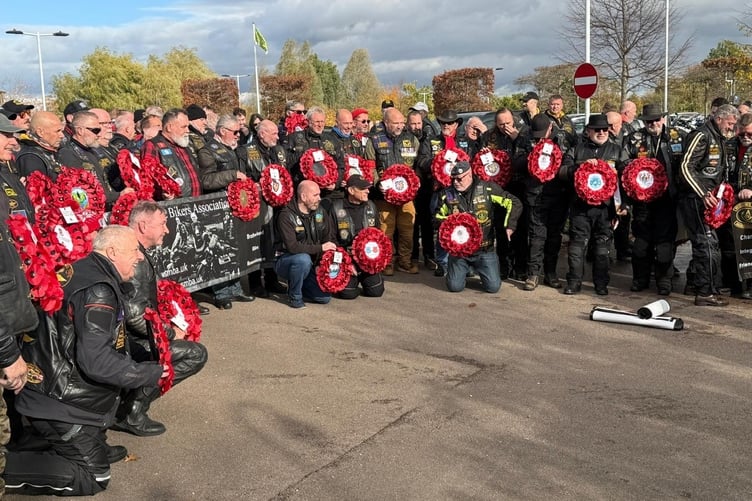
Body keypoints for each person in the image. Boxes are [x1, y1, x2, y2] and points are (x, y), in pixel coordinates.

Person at [4, 226, 166, 496]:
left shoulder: (81, 268)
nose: (140, 257)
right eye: (134, 250)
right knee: (93, 477)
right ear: (112, 252)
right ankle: (5, 468)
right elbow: (97, 361)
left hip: (48, 387)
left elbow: (100, 342)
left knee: (93, 449)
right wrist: (149, 374)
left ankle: (78, 442)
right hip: (60, 401)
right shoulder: (99, 290)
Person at [114, 201, 208, 436]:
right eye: (162, 224)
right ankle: (132, 411)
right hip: (128, 342)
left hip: (130, 335)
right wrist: (168, 334)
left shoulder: (136, 252)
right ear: (143, 226)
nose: (167, 230)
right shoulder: (134, 259)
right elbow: (134, 315)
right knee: (196, 354)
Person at [560, 114, 629, 296]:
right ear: (588, 131)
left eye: (604, 129)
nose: (601, 133)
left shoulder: (617, 150)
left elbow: (627, 179)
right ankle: (574, 282)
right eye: (597, 129)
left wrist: (623, 206)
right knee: (576, 247)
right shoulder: (577, 150)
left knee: (602, 249)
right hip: (580, 207)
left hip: (605, 209)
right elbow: (562, 172)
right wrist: (580, 166)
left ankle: (601, 283)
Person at [678, 104, 739, 306]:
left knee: (710, 245)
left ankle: (704, 286)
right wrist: (702, 192)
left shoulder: (719, 137)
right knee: (705, 244)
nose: (732, 127)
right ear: (720, 118)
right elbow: (686, 167)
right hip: (697, 199)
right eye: (730, 123)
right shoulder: (702, 135)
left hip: (713, 199)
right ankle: (704, 292)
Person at [434, 161, 522, 293]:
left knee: (493, 288)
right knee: (454, 287)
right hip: (459, 253)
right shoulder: (446, 194)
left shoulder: (488, 189)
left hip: (484, 249)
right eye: (453, 179)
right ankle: (463, 270)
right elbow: (436, 218)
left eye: (459, 179)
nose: (456, 182)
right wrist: (452, 222)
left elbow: (514, 202)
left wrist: (510, 225)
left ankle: (476, 269)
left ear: (469, 175)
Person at [197, 114, 256, 309]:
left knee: (235, 247)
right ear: (222, 131)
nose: (238, 135)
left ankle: (236, 287)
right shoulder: (207, 151)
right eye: (235, 131)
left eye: (240, 131)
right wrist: (232, 176)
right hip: (216, 208)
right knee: (218, 249)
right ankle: (221, 292)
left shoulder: (232, 150)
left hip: (236, 206)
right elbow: (206, 180)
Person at [623, 104, 681, 295]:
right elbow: (622, 165)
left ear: (662, 119)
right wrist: (634, 166)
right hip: (642, 201)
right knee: (641, 243)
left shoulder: (677, 136)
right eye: (649, 121)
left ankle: (664, 280)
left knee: (665, 243)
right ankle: (640, 278)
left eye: (656, 120)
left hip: (668, 200)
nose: (653, 124)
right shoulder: (633, 139)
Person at [364, 107, 420, 275]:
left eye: (402, 123)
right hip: (384, 195)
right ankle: (387, 262)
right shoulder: (373, 140)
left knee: (407, 229)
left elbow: (417, 165)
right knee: (385, 229)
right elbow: (370, 167)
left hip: (407, 196)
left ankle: (405, 261)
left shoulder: (412, 139)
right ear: (386, 123)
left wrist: (416, 181)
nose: (399, 126)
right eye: (395, 123)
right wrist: (377, 183)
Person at [481, 107, 532, 280]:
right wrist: (482, 156)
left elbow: (530, 156)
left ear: (513, 120)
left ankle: (520, 267)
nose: (505, 127)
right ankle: (503, 266)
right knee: (501, 229)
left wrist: (516, 138)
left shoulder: (523, 133)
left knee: (519, 228)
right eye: (501, 124)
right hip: (497, 188)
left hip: (518, 186)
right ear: (496, 123)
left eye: (508, 123)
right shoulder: (489, 137)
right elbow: (479, 162)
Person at [415, 109, 467, 276]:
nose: (446, 125)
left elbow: (472, 162)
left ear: (456, 124)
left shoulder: (465, 142)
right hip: (438, 191)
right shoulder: (431, 141)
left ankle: (462, 263)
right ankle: (442, 263)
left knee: (462, 225)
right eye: (443, 122)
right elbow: (421, 161)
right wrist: (438, 160)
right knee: (441, 226)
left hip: (461, 191)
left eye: (449, 122)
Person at [522, 114, 570, 291]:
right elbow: (516, 162)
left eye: (543, 134)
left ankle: (550, 273)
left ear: (550, 128)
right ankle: (533, 273)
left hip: (557, 195)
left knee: (554, 237)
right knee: (536, 236)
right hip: (535, 195)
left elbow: (568, 163)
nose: (540, 137)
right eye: (537, 135)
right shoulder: (526, 140)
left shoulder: (562, 139)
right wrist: (532, 157)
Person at [275, 180, 337, 308]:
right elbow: (293, 247)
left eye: (319, 194)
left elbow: (328, 239)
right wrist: (320, 248)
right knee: (302, 259)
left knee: (324, 298)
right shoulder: (286, 215)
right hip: (286, 260)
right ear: (303, 197)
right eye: (315, 195)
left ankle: (301, 286)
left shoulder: (320, 212)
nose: (319, 198)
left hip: (312, 263)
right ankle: (295, 297)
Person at [244, 119, 288, 297]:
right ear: (262, 134)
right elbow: (243, 178)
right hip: (257, 205)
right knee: (257, 243)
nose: (277, 137)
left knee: (274, 243)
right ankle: (255, 284)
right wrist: (255, 185)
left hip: (277, 204)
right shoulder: (246, 152)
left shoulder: (278, 150)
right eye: (274, 133)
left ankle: (272, 280)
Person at [323, 175, 385, 299]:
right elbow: (331, 240)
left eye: (368, 188)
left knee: (376, 291)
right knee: (348, 294)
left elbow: (378, 236)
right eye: (363, 188)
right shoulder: (335, 208)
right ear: (351, 191)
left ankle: (362, 277)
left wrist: (374, 261)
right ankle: (352, 280)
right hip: (346, 258)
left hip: (366, 259)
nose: (367, 191)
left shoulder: (371, 206)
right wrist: (346, 264)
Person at [141, 108, 202, 199]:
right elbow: (147, 180)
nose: (187, 130)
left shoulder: (184, 144)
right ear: (169, 127)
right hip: (173, 207)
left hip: (197, 204)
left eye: (188, 126)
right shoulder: (153, 145)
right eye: (183, 127)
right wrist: (163, 193)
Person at [287, 106, 344, 193]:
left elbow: (341, 165)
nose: (320, 125)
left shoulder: (332, 140)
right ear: (308, 122)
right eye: (317, 122)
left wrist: (336, 183)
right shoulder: (294, 138)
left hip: (327, 192)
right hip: (303, 190)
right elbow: (287, 164)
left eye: (322, 122)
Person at [15, 110, 64, 181]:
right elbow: (36, 189)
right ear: (40, 132)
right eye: (57, 131)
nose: (62, 135)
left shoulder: (50, 151)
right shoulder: (31, 158)